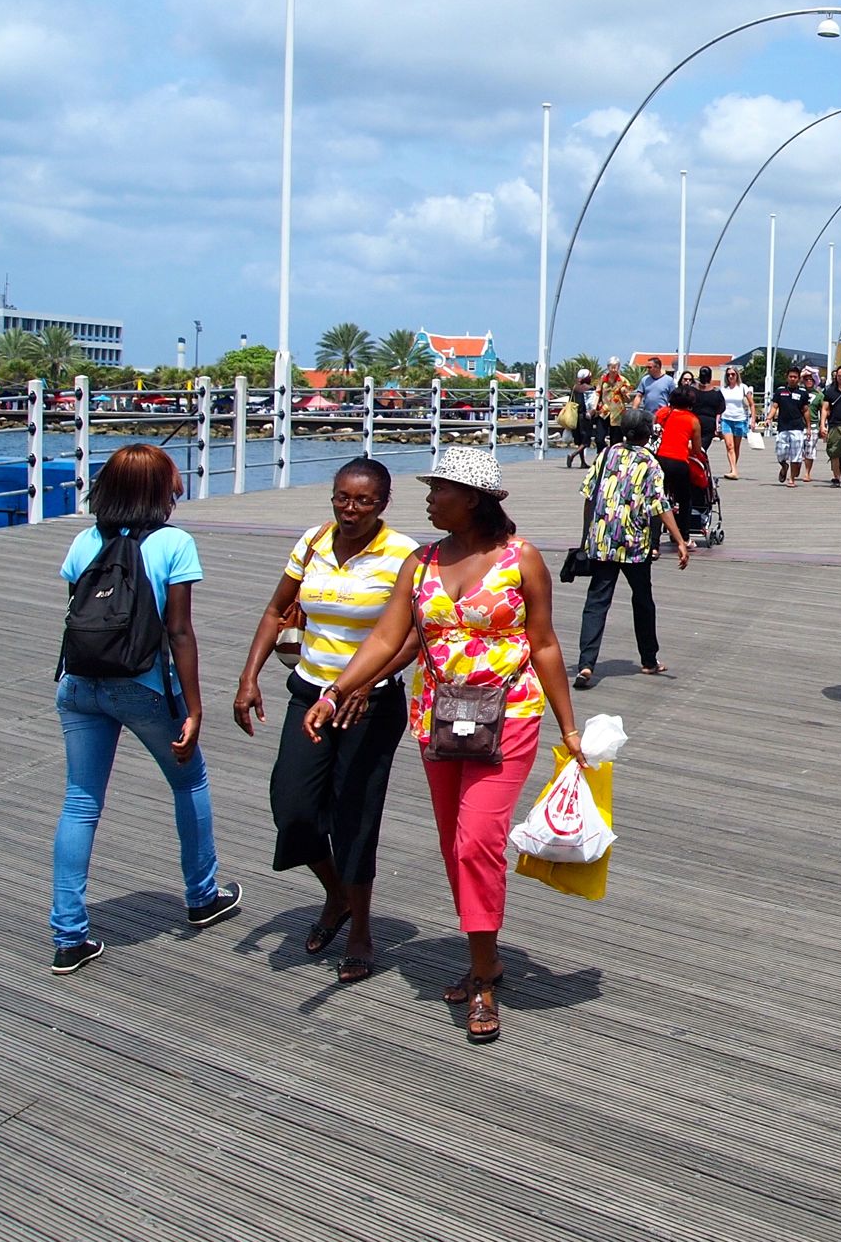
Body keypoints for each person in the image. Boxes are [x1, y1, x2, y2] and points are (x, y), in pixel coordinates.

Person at [324, 446, 579, 1044]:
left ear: (474, 499)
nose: (429, 498)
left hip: (510, 716)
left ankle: (486, 974)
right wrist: (336, 691)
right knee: (453, 844)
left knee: (476, 841)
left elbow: (542, 644)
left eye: (440, 489)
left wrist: (568, 727)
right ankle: (481, 950)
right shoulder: (421, 561)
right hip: (438, 719)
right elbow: (388, 638)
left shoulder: (523, 560)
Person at [48, 444, 240, 974]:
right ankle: (202, 895)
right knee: (190, 782)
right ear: (159, 492)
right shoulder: (174, 543)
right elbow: (179, 630)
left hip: (80, 684)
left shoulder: (84, 541)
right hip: (143, 686)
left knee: (80, 802)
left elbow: (77, 616)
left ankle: (68, 933)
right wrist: (194, 709)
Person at [229, 458, 418, 984]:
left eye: (363, 501)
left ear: (383, 504)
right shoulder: (312, 542)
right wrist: (249, 678)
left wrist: (361, 683)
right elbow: (276, 610)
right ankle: (335, 892)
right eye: (341, 498)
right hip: (308, 692)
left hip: (370, 704)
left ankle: (360, 927)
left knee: (354, 816)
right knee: (292, 806)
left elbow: (413, 635)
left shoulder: (404, 555)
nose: (350, 509)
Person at [572, 411, 692, 688]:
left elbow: (589, 496)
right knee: (642, 599)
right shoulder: (650, 461)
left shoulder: (607, 454)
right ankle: (649, 659)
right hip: (633, 543)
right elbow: (659, 505)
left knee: (597, 602)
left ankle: (586, 664)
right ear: (647, 434)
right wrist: (680, 540)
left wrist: (585, 537)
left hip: (603, 539)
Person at [652, 385, 705, 537]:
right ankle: (684, 535)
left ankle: (654, 543)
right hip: (679, 462)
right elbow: (696, 449)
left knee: (658, 499)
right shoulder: (693, 420)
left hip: (659, 460)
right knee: (685, 499)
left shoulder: (662, 413)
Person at [770, 366, 811, 487]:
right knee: (780, 453)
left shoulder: (802, 393)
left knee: (796, 455)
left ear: (798, 379)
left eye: (795, 377)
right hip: (783, 427)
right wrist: (769, 417)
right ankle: (784, 466)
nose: (792, 379)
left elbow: (806, 410)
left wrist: (808, 427)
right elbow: (774, 406)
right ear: (787, 378)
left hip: (797, 427)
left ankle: (791, 479)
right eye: (790, 377)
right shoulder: (780, 391)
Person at [719, 364, 753, 479]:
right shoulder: (723, 390)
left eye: (733, 374)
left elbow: (752, 404)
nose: (730, 377)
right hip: (726, 419)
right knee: (729, 446)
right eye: (728, 375)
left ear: (737, 375)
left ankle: (733, 467)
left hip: (740, 419)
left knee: (736, 447)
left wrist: (753, 420)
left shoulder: (743, 387)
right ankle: (734, 470)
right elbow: (719, 407)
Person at [691, 366, 726, 462]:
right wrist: (717, 425)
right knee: (701, 450)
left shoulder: (692, 391)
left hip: (693, 422)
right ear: (710, 377)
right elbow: (721, 409)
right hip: (709, 423)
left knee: (692, 449)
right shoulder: (716, 393)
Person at [564, 369, 599, 466]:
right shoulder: (590, 388)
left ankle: (583, 462)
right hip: (585, 416)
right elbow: (591, 404)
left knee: (579, 440)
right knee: (586, 441)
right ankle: (572, 455)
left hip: (575, 416)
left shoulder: (575, 387)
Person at [596, 357, 634, 444]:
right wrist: (594, 408)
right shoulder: (603, 379)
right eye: (611, 367)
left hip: (618, 413)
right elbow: (597, 393)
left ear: (619, 367)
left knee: (616, 441)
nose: (613, 369)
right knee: (599, 438)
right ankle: (601, 454)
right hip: (604, 411)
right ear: (608, 367)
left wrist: (624, 393)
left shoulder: (623, 380)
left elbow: (628, 400)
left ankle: (614, 456)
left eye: (615, 367)